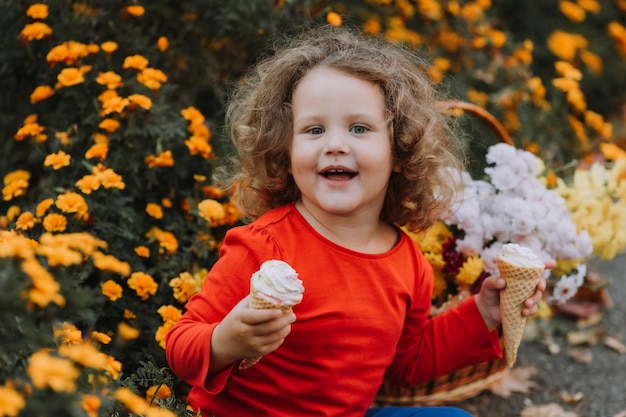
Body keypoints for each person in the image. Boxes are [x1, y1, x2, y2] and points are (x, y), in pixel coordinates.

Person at [165, 25, 548, 417]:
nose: (335, 144)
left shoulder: (408, 263)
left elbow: (408, 363)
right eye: (314, 130)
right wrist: (225, 341)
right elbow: (180, 346)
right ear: (287, 149)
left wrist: (484, 312)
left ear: (399, 150)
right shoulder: (264, 247)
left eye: (359, 128)